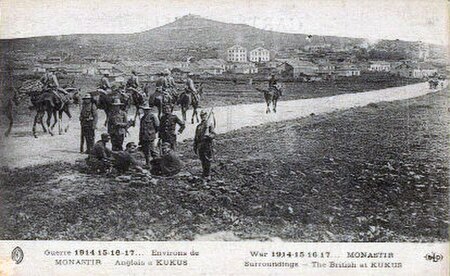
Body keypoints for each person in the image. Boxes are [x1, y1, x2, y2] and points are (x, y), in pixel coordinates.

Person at [193, 110, 216, 180]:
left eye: (204, 115)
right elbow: (196, 137)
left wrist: (209, 136)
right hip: (200, 144)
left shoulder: (209, 125)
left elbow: (213, 134)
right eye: (201, 116)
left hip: (207, 144)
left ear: (206, 116)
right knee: (202, 159)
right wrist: (195, 146)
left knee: (207, 159)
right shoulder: (199, 126)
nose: (203, 117)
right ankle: (204, 173)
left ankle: (208, 174)